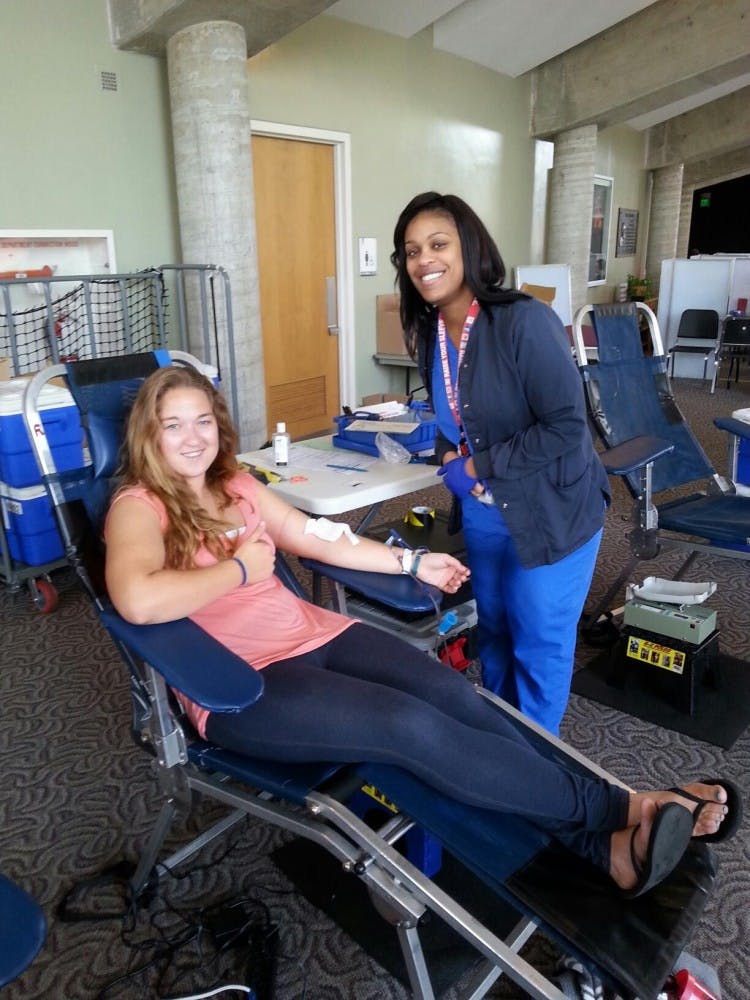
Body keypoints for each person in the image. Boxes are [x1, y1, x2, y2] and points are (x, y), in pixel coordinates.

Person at [104, 364, 737, 900]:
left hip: (316, 634)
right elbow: (136, 599)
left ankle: (605, 849)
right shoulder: (139, 506)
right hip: (240, 683)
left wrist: (411, 560)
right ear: (148, 435)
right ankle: (620, 807)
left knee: (456, 696)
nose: (193, 437)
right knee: (407, 727)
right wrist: (240, 570)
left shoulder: (235, 482)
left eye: (203, 420)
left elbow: (315, 535)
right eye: (173, 424)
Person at [391, 191, 610, 735]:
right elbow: (452, 419)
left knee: (538, 640)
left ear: (469, 247)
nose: (424, 260)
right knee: (495, 635)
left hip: (552, 508)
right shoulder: (431, 331)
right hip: (488, 514)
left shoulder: (523, 321)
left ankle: (537, 767)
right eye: (412, 251)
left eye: (438, 244)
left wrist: (479, 466)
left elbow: (566, 427)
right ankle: (505, 744)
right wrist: (447, 454)